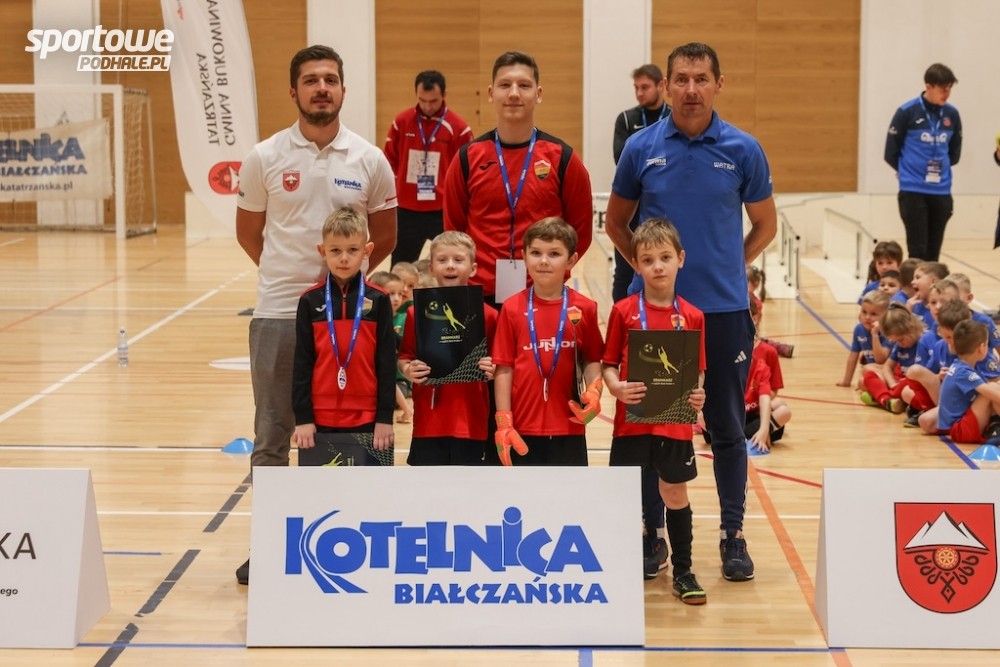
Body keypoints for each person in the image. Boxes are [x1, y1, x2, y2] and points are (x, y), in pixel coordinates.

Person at [604, 42, 777, 583]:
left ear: (718, 84)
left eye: (702, 78)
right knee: (652, 428)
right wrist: (650, 270)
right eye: (681, 79)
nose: (691, 89)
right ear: (667, 85)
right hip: (654, 316)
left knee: (725, 426)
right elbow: (615, 223)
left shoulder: (744, 148)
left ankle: (733, 534)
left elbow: (766, 225)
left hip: (723, 312)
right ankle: (652, 535)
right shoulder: (641, 147)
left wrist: (729, 265)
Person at [234, 45, 397, 585]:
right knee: (273, 434)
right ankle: (269, 545)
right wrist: (296, 285)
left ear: (344, 89)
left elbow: (385, 237)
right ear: (294, 91)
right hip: (281, 313)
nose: (321, 88)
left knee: (340, 433)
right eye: (310, 80)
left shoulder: (370, 159)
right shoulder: (264, 156)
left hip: (351, 322)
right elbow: (249, 234)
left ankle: (345, 541)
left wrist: (342, 291)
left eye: (330, 79)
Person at [602, 218, 708, 604]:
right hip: (630, 423)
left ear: (681, 258)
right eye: (648, 260)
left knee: (674, 492)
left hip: (674, 424)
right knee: (624, 494)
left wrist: (697, 394)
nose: (658, 266)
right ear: (636, 265)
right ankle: (615, 567)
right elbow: (608, 364)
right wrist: (616, 387)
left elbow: (697, 370)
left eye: (665, 257)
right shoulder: (623, 311)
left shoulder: (693, 316)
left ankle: (684, 570)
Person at [443, 51, 593, 307]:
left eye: (524, 85)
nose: (514, 93)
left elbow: (580, 232)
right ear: (491, 93)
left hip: (543, 292)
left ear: (538, 93)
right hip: (479, 294)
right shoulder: (467, 158)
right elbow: (453, 231)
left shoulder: (563, 158)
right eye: (505, 85)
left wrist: (550, 270)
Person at [492, 217, 605, 466]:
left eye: (554, 254)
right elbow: (504, 368)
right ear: (524, 256)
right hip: (521, 427)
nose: (543, 261)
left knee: (568, 492)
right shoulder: (511, 308)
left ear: (571, 260)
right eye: (536, 253)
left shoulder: (585, 308)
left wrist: (595, 390)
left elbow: (592, 359)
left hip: (570, 426)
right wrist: (504, 422)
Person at [291, 207, 397, 452]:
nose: (344, 258)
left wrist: (385, 417)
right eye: (335, 250)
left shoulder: (379, 299)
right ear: (322, 251)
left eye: (353, 250)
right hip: (320, 415)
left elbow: (386, 362)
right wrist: (303, 417)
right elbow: (302, 362)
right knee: (326, 479)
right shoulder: (310, 300)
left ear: (367, 251)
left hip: (368, 415)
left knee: (365, 479)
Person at [398, 231, 498, 465]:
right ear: (431, 268)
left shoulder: (489, 316)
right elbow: (404, 357)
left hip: (471, 423)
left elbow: (501, 364)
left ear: (473, 268)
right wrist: (408, 369)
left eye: (458, 260)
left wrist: (494, 368)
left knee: (469, 485)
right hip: (428, 423)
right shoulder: (415, 313)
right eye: (442, 260)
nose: (450, 266)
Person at [384, 71, 473, 264]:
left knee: (450, 263)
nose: (427, 106)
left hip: (442, 210)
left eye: (433, 101)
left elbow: (467, 171)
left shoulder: (459, 128)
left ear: (444, 95)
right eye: (422, 100)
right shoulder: (401, 122)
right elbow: (389, 161)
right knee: (401, 265)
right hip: (407, 209)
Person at [884, 63, 962, 262]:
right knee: (917, 251)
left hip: (941, 191)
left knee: (933, 254)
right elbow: (890, 152)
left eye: (949, 88)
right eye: (942, 89)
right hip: (913, 190)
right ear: (928, 86)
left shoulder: (952, 114)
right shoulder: (907, 112)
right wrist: (906, 170)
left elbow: (954, 153)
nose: (946, 94)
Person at [611, 64, 671, 301]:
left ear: (661, 85)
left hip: (663, 205)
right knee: (625, 271)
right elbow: (621, 159)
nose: (639, 93)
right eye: (636, 88)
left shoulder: (674, 118)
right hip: (633, 209)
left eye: (645, 87)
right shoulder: (626, 119)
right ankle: (622, 316)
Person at [925, 320, 1000, 444]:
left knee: (993, 387)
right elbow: (992, 394)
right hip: (960, 430)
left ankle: (995, 426)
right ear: (982, 348)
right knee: (991, 390)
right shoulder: (963, 372)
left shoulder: (961, 366)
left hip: (961, 425)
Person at [368, 270, 412, 423]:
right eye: (391, 294)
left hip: (391, 377)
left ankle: (407, 410)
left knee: (385, 378)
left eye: (400, 294)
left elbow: (402, 344)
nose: (397, 299)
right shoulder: (370, 318)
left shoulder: (393, 320)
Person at [837, 289, 891, 391]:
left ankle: (884, 395)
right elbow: (853, 356)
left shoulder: (888, 332)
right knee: (863, 381)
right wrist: (846, 381)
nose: (867, 317)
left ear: (885, 316)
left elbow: (880, 360)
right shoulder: (859, 329)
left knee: (866, 377)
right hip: (872, 371)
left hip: (888, 372)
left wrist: (875, 335)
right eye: (864, 312)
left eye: (873, 314)